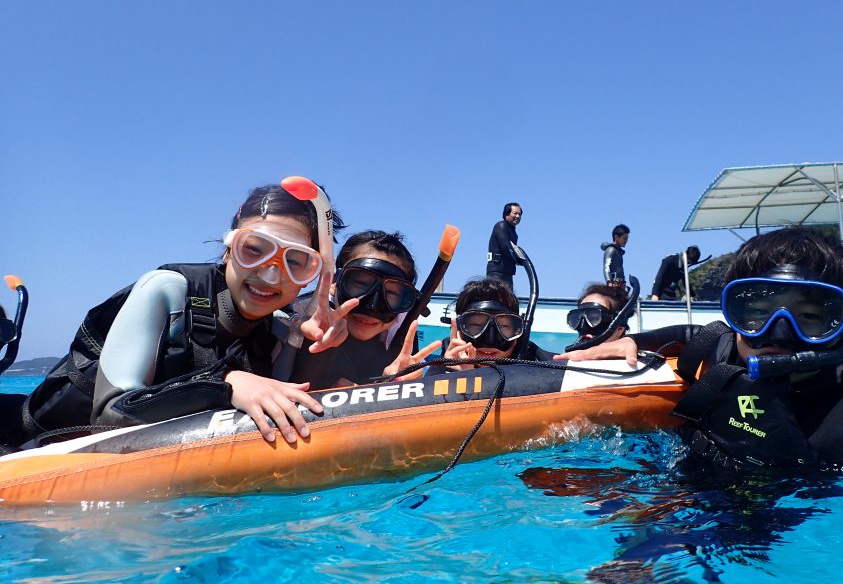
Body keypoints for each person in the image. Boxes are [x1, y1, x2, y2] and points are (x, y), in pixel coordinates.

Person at [557, 227, 843, 476]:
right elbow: (686, 331)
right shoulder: (720, 344)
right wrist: (635, 342)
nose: (777, 332)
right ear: (733, 312)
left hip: (777, 530)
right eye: (755, 312)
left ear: (842, 325)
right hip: (674, 492)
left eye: (809, 317)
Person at [11, 179, 358, 449]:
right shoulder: (166, 290)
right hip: (28, 450)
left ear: (313, 274)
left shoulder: (281, 334)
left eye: (295, 263)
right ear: (227, 250)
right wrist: (225, 385)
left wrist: (319, 352)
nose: (270, 275)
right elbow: (111, 415)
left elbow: (290, 410)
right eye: (253, 250)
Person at [290, 230, 441, 388]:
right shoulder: (297, 321)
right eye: (360, 284)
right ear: (335, 283)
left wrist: (392, 384)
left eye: (391, 293)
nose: (373, 306)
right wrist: (312, 345)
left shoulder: (402, 339)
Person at [428, 277, 554, 374]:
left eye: (504, 327)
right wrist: (455, 376)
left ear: (517, 334)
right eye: (476, 325)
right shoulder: (440, 370)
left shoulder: (548, 365)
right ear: (459, 330)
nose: (490, 338)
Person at [486, 202, 522, 288]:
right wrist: (519, 259)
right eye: (515, 213)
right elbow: (506, 248)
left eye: (519, 214)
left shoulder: (514, 233)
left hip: (508, 273)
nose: (518, 216)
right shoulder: (501, 226)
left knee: (508, 299)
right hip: (496, 273)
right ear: (506, 213)